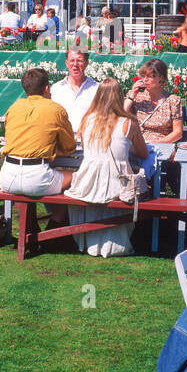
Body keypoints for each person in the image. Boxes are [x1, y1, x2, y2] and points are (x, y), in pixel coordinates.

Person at [64, 79, 149, 256]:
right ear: (119, 97)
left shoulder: (87, 119)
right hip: (117, 184)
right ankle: (116, 243)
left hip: (88, 183)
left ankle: (89, 241)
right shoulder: (128, 122)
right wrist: (127, 146)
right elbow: (143, 154)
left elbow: (89, 152)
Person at [0, 68, 76, 197]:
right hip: (37, 177)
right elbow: (69, 148)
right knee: (75, 177)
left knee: (52, 175)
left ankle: (38, 217)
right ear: (46, 89)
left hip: (8, 177)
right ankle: (57, 217)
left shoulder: (13, 108)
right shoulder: (56, 109)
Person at [124, 58, 183, 145]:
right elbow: (120, 115)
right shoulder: (136, 97)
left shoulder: (172, 100)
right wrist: (132, 95)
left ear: (161, 78)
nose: (145, 80)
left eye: (150, 76)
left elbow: (178, 133)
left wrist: (157, 143)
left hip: (161, 145)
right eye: (143, 76)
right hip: (136, 144)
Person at [50, 49, 98, 136]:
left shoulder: (96, 89)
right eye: (72, 61)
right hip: (62, 145)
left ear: (87, 63)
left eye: (79, 61)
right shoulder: (56, 89)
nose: (75, 65)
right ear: (66, 63)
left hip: (88, 145)